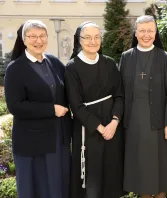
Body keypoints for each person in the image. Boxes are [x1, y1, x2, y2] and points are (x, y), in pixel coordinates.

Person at [4, 20, 71, 198]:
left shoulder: (55, 62)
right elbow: (15, 106)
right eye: (32, 36)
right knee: (36, 189)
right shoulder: (15, 69)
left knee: (57, 187)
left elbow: (71, 88)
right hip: (32, 142)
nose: (38, 40)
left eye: (42, 36)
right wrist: (51, 109)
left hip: (57, 138)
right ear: (24, 40)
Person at [119, 15, 167, 198]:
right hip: (134, 124)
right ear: (136, 33)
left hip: (159, 124)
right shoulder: (126, 57)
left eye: (150, 31)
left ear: (155, 33)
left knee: (161, 171)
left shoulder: (164, 57)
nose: (146, 35)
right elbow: (119, 91)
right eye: (142, 31)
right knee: (141, 170)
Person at [65, 21, 124, 198]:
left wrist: (114, 122)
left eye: (97, 37)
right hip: (87, 129)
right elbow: (75, 105)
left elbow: (120, 95)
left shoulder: (110, 64)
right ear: (79, 40)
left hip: (112, 129)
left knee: (111, 176)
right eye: (88, 37)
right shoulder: (72, 67)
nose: (93, 41)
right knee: (91, 181)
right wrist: (100, 127)